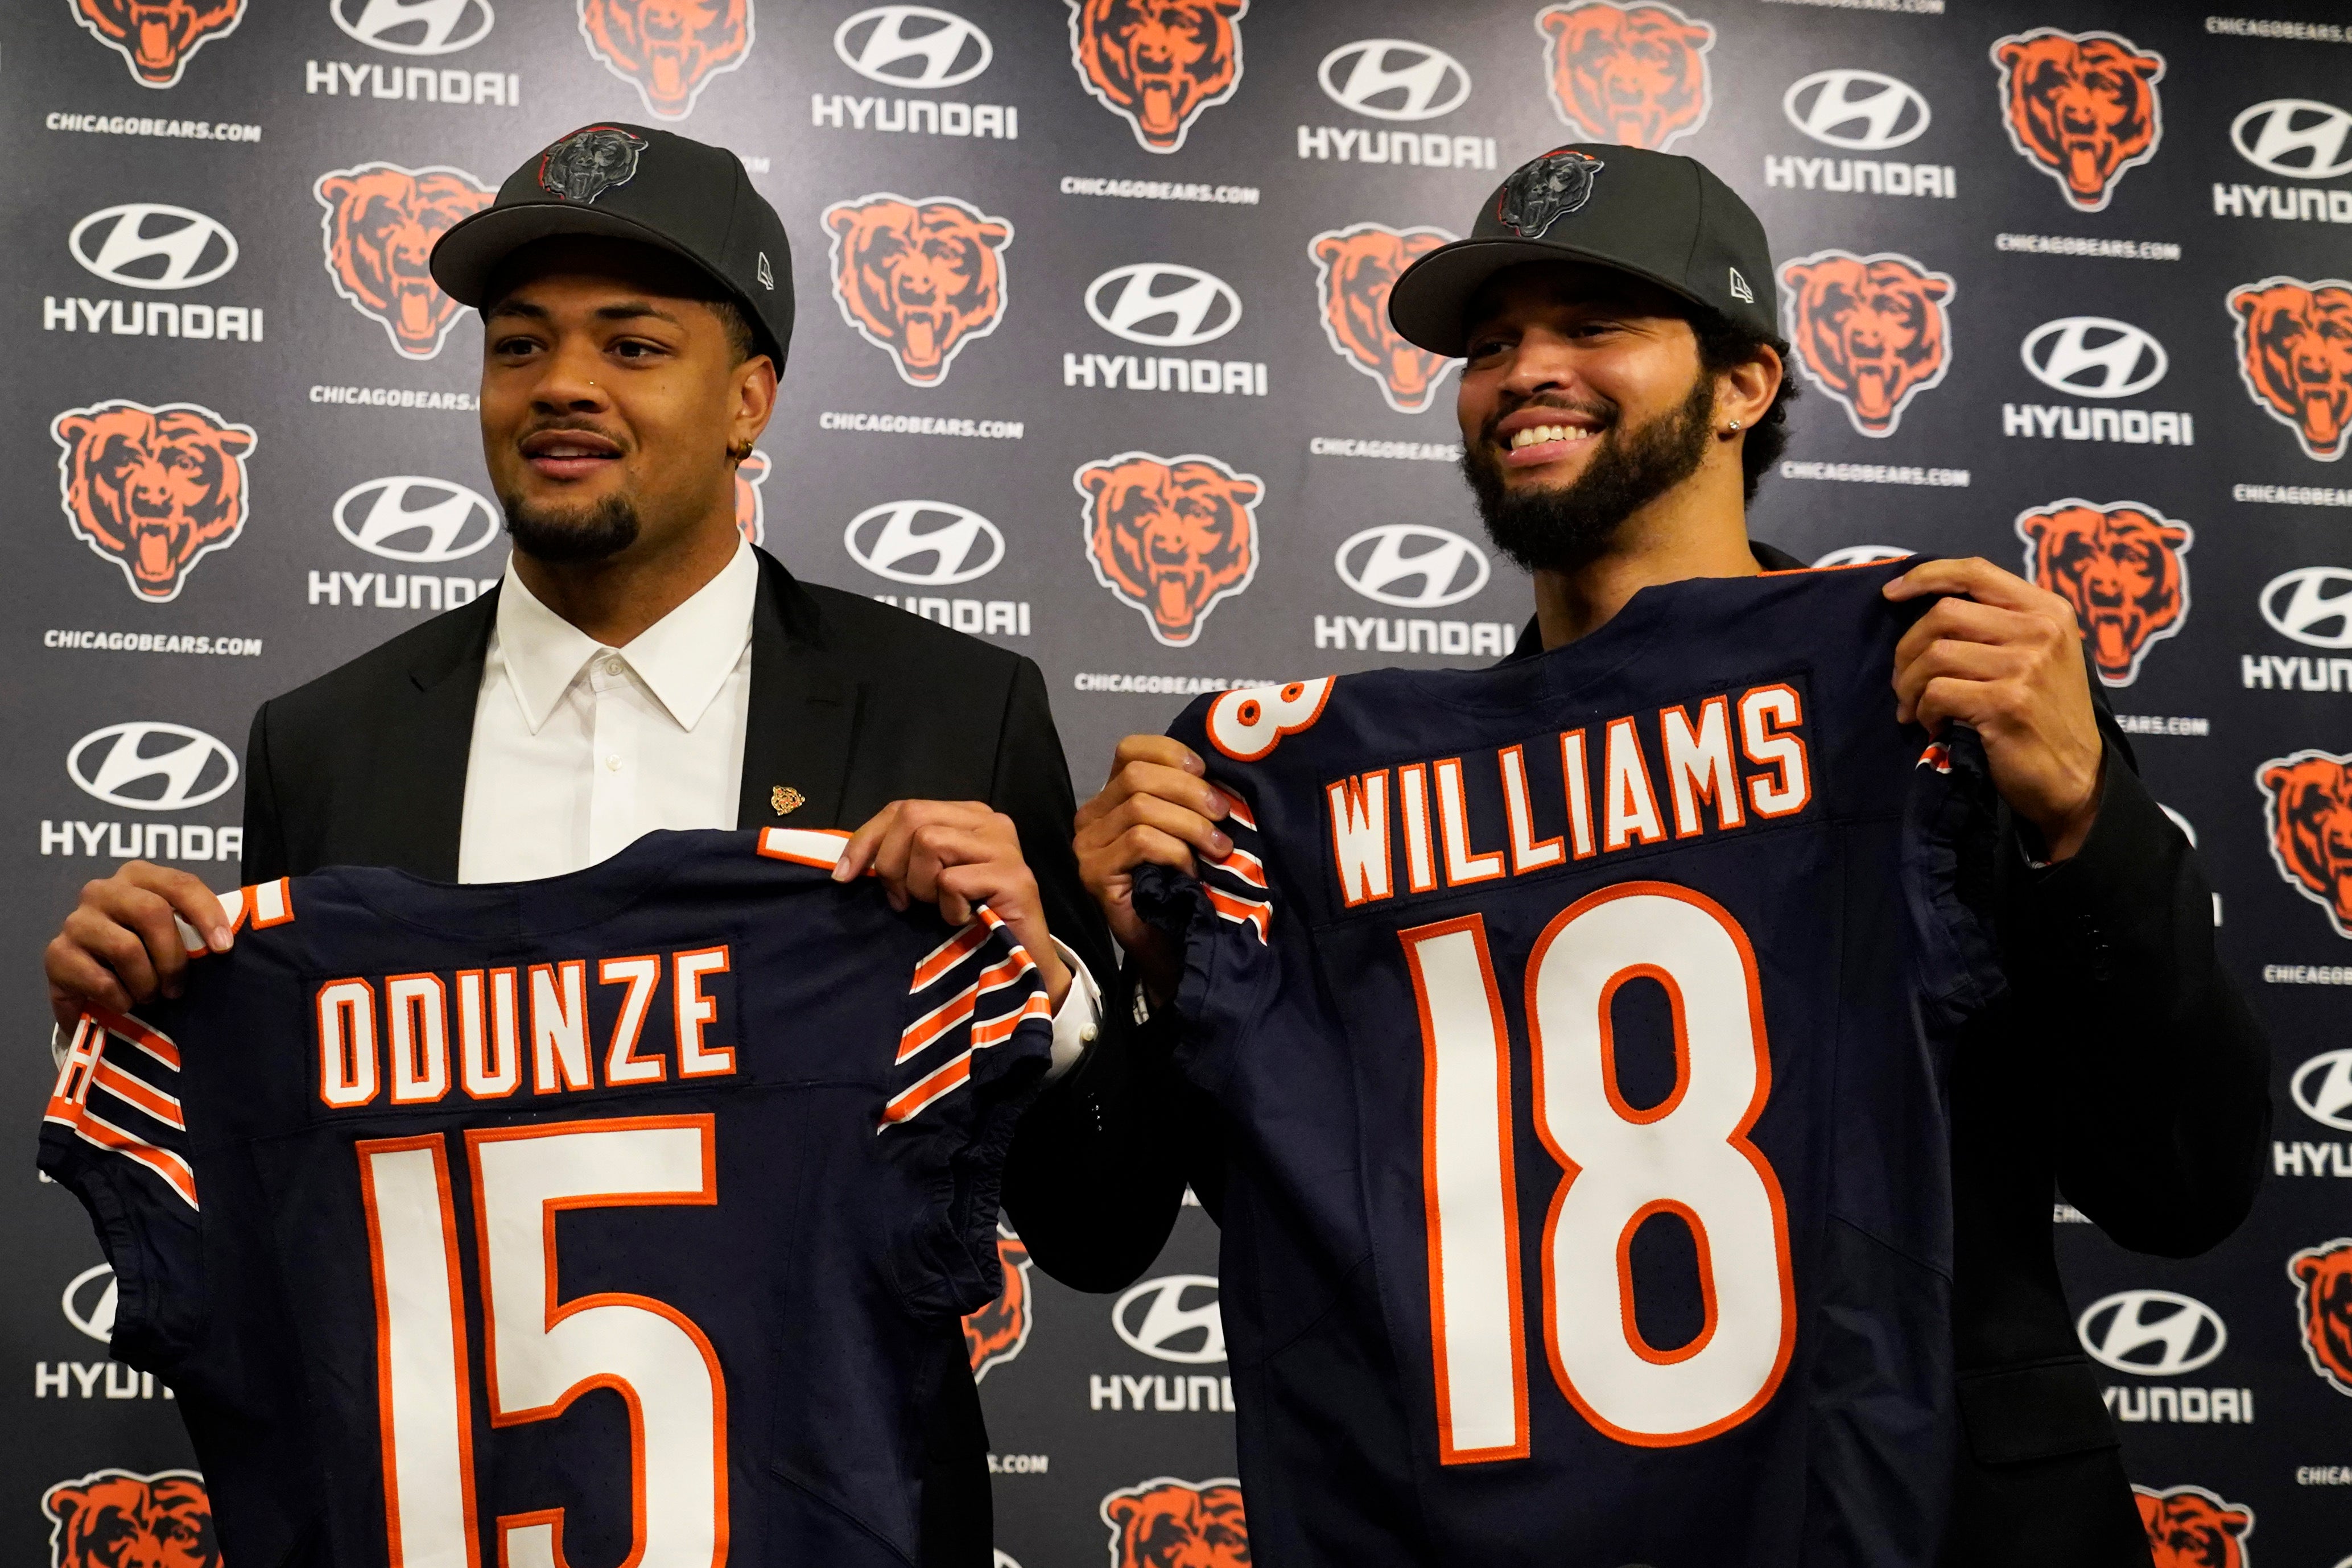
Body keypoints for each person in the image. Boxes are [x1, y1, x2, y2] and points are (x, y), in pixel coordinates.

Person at [1072, 145, 2269, 1565]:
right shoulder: (1334, 800)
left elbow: (2184, 1185)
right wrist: (1163, 968)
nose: (1525, 372)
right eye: (1493, 343)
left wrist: (2084, 824)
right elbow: (1131, 1227)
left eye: (1595, 325)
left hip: (1940, 1518)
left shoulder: (1933, 691)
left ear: (1746, 384)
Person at [38, 122, 1146, 1568]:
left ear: (750, 396)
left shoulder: (950, 710)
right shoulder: (325, 744)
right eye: (518, 347)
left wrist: (1048, 990)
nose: (560, 386)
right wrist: (151, 1015)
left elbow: (1101, 1229)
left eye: (632, 346)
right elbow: (293, 1240)